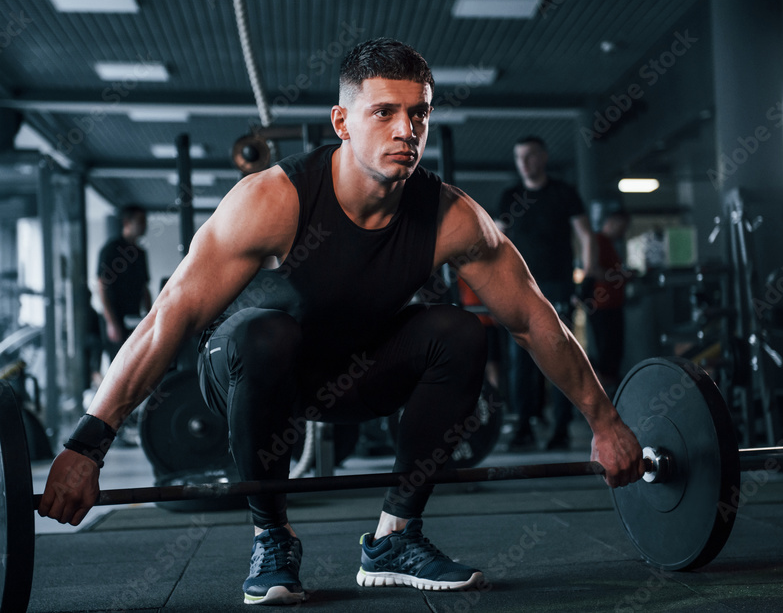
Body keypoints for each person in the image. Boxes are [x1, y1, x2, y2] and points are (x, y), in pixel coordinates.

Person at [38, 38, 643, 606]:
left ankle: (395, 536)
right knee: (265, 332)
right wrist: (88, 444)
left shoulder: (452, 216)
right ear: (342, 122)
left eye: (419, 114)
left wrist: (605, 421)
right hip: (246, 372)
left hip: (352, 375)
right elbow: (172, 315)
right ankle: (271, 536)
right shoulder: (274, 199)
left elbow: (534, 319)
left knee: (460, 331)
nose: (406, 130)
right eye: (384, 112)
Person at [496, 136, 598, 451]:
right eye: (518, 157)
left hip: (557, 286)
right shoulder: (511, 196)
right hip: (520, 288)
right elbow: (496, 239)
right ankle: (524, 425)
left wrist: (589, 275)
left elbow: (586, 235)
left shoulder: (562, 193)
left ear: (542, 157)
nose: (523, 163)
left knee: (560, 358)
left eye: (529, 156)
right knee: (520, 360)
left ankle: (561, 428)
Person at [96, 205, 152, 362]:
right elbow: (102, 286)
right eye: (140, 221)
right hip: (116, 318)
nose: (144, 226)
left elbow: (144, 288)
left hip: (134, 317)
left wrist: (150, 316)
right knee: (119, 364)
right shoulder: (110, 250)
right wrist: (111, 322)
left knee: (138, 361)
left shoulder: (140, 253)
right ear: (127, 222)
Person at [586, 209, 632, 394]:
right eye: (622, 227)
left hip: (613, 306)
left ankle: (611, 397)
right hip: (602, 307)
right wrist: (620, 276)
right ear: (612, 222)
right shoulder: (598, 242)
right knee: (607, 355)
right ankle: (603, 400)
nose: (623, 232)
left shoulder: (610, 244)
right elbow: (593, 270)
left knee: (614, 354)